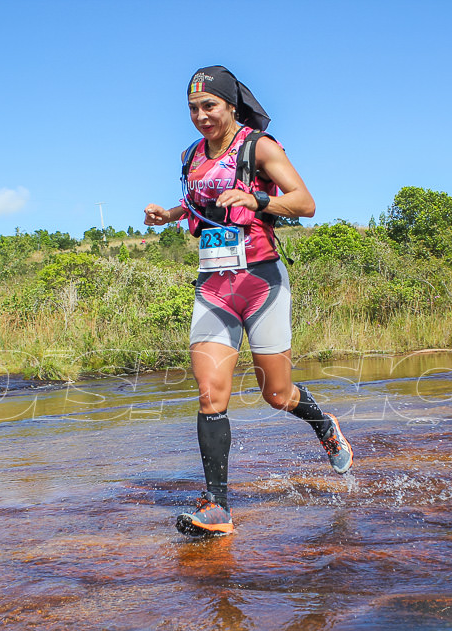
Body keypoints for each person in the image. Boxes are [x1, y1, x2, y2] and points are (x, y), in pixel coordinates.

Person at [144, 66, 354, 538]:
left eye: (209, 106)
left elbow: (304, 202)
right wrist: (171, 213)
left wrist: (257, 199)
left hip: (261, 281)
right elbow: (206, 203)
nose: (201, 117)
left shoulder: (259, 146)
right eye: (193, 109)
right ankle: (218, 507)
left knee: (276, 395)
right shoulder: (191, 156)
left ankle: (322, 423)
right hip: (213, 285)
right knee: (209, 393)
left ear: (230, 106)